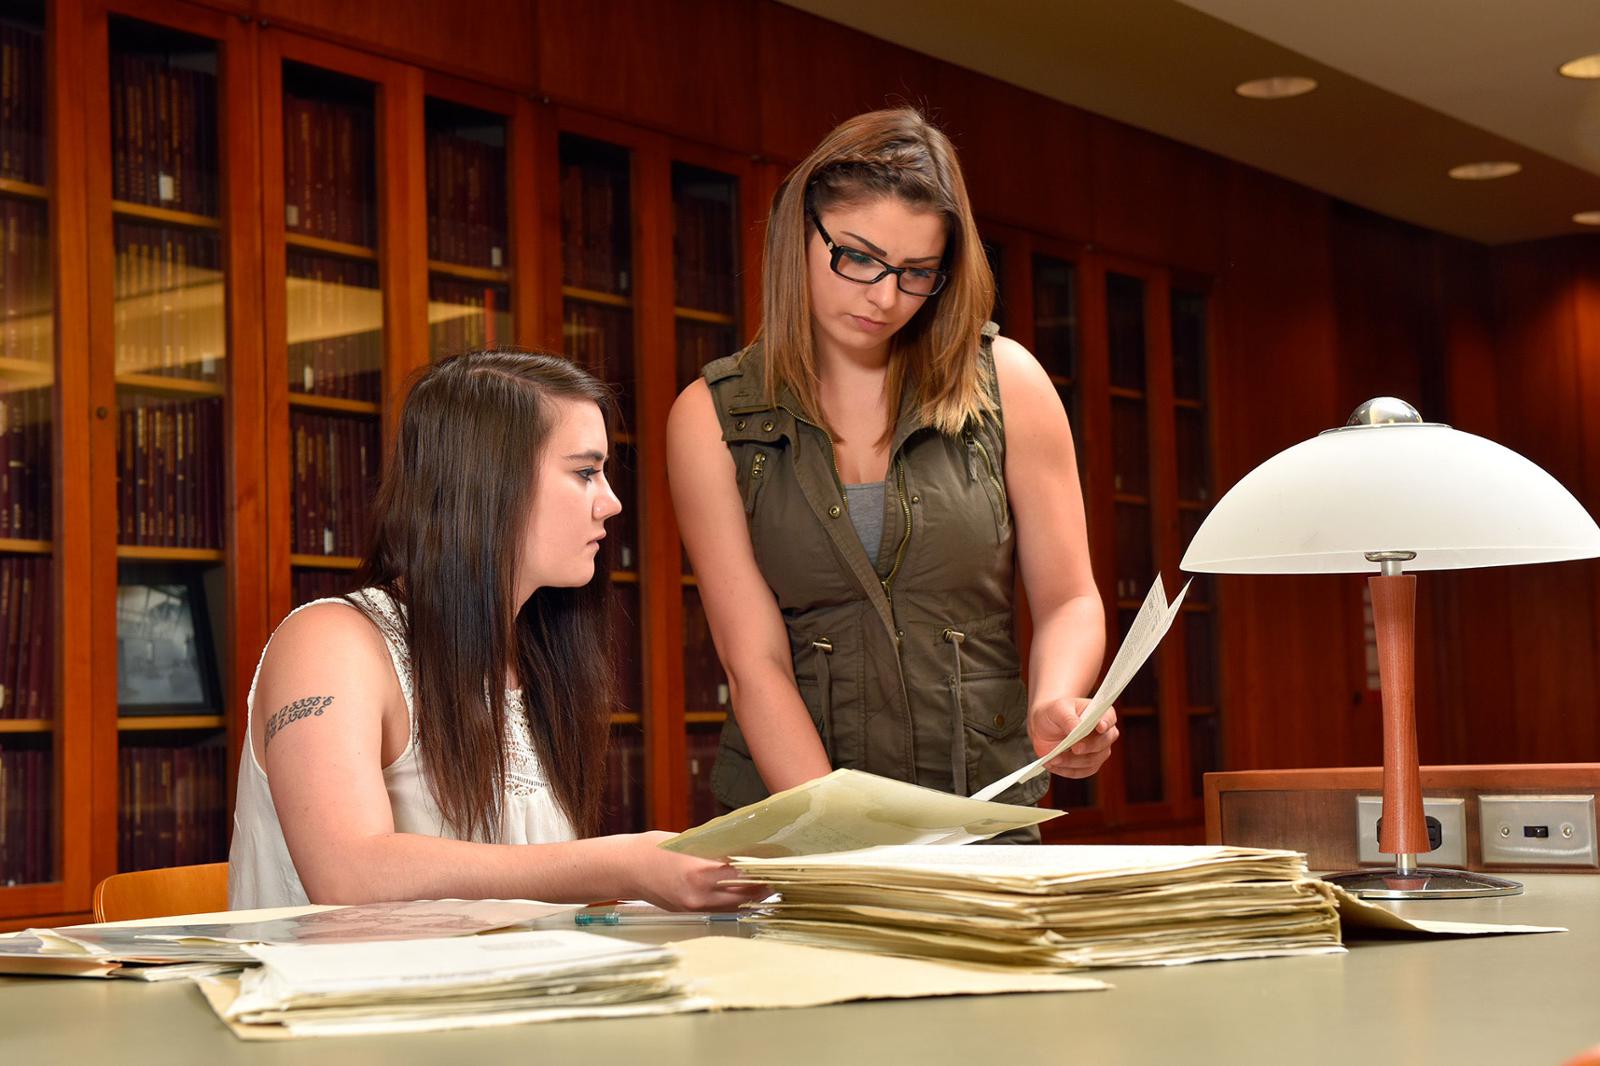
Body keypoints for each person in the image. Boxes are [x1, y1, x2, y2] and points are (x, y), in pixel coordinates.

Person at [666, 108, 1112, 830]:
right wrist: (843, 838)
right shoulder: (711, 418)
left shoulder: (1007, 383)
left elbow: (1069, 599)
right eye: (859, 257)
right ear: (798, 231)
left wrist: (1058, 702)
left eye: (916, 274)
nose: (883, 297)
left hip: (983, 812)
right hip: (800, 824)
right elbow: (756, 665)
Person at [229, 348, 761, 910]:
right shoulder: (331, 641)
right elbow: (348, 875)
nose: (611, 503)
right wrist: (622, 866)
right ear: (487, 483)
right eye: (585, 472)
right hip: (347, 997)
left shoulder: (535, 657)